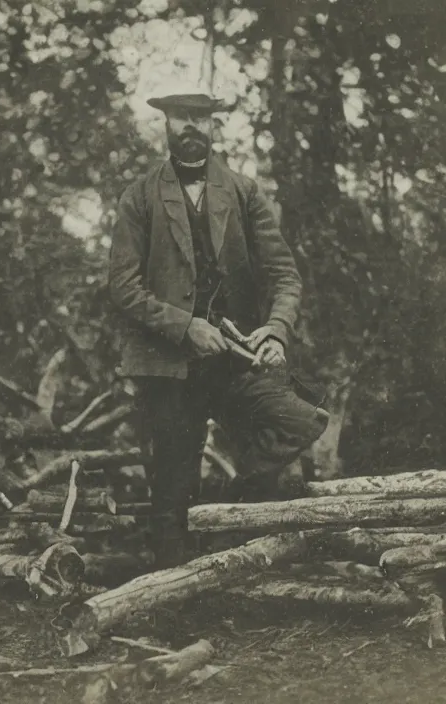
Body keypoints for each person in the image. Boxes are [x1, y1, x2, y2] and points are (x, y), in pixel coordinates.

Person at [108, 93, 328, 567]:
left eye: (200, 118)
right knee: (171, 489)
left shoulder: (244, 192)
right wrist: (185, 327)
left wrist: (274, 331)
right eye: (181, 117)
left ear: (213, 125)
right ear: (165, 124)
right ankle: (172, 599)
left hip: (235, 363)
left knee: (303, 420)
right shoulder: (140, 197)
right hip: (168, 368)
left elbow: (285, 276)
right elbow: (123, 287)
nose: (192, 127)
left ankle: (227, 520)